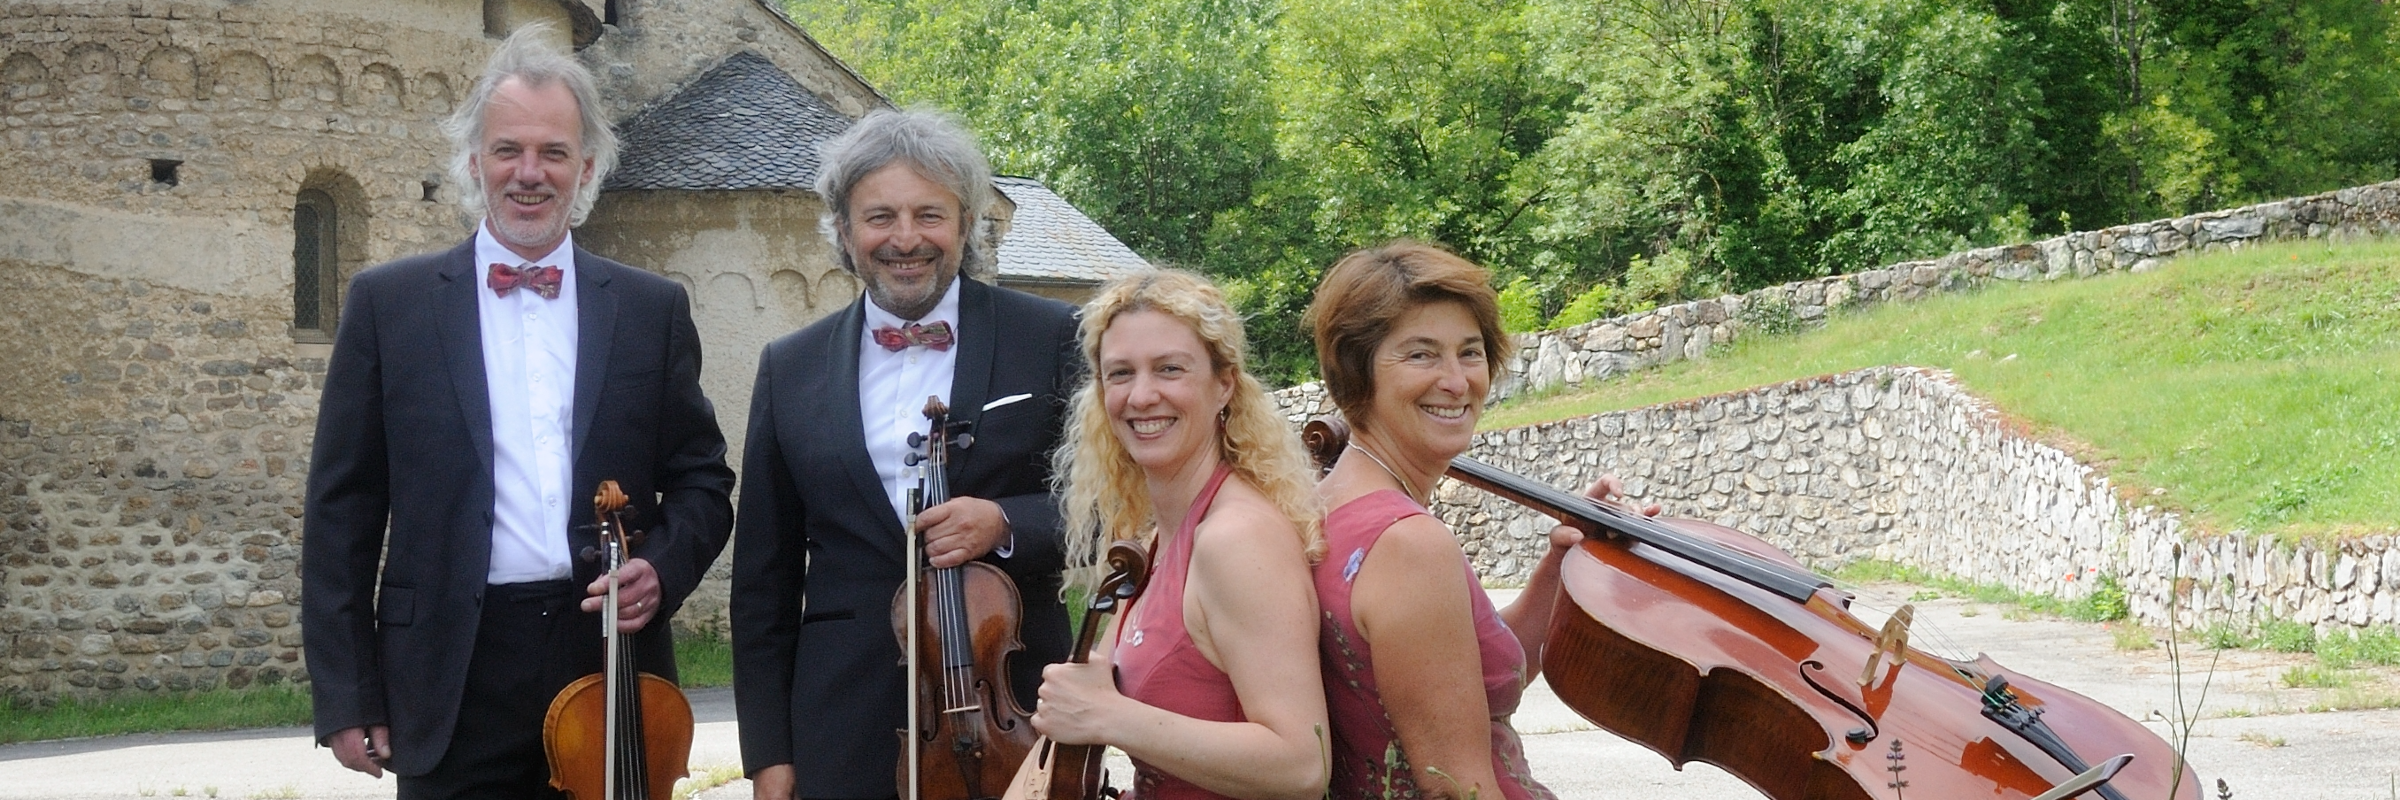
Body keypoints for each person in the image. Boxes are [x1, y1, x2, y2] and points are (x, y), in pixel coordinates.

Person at [301, 25, 736, 799]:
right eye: (508, 150)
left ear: (587, 168)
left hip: (606, 658)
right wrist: (346, 692)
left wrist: (662, 572)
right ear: (473, 162)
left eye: (553, 153)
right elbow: (342, 512)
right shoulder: (386, 305)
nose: (528, 173)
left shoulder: (651, 310)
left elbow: (704, 481)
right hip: (448, 668)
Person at [730, 109, 1080, 800]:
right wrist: (769, 754)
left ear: (967, 222)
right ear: (843, 230)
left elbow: (1103, 508)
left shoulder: (1052, 336)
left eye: (930, 214)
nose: (906, 239)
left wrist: (1007, 524)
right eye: (880, 216)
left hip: (1014, 712)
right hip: (844, 717)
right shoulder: (788, 366)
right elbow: (762, 580)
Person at [1304, 241, 1640, 800]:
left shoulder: (1331, 505)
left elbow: (1466, 682)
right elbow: (1456, 787)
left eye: (1470, 351)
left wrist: (1561, 564)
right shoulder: (1407, 543)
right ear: (1355, 370)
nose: (1457, 381)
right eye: (1421, 354)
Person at [1027, 270, 1330, 800]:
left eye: (1170, 369)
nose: (1142, 396)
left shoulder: (1236, 538)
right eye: (1120, 373)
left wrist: (1108, 716)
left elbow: (1302, 765)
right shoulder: (1154, 541)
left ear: (1224, 384)